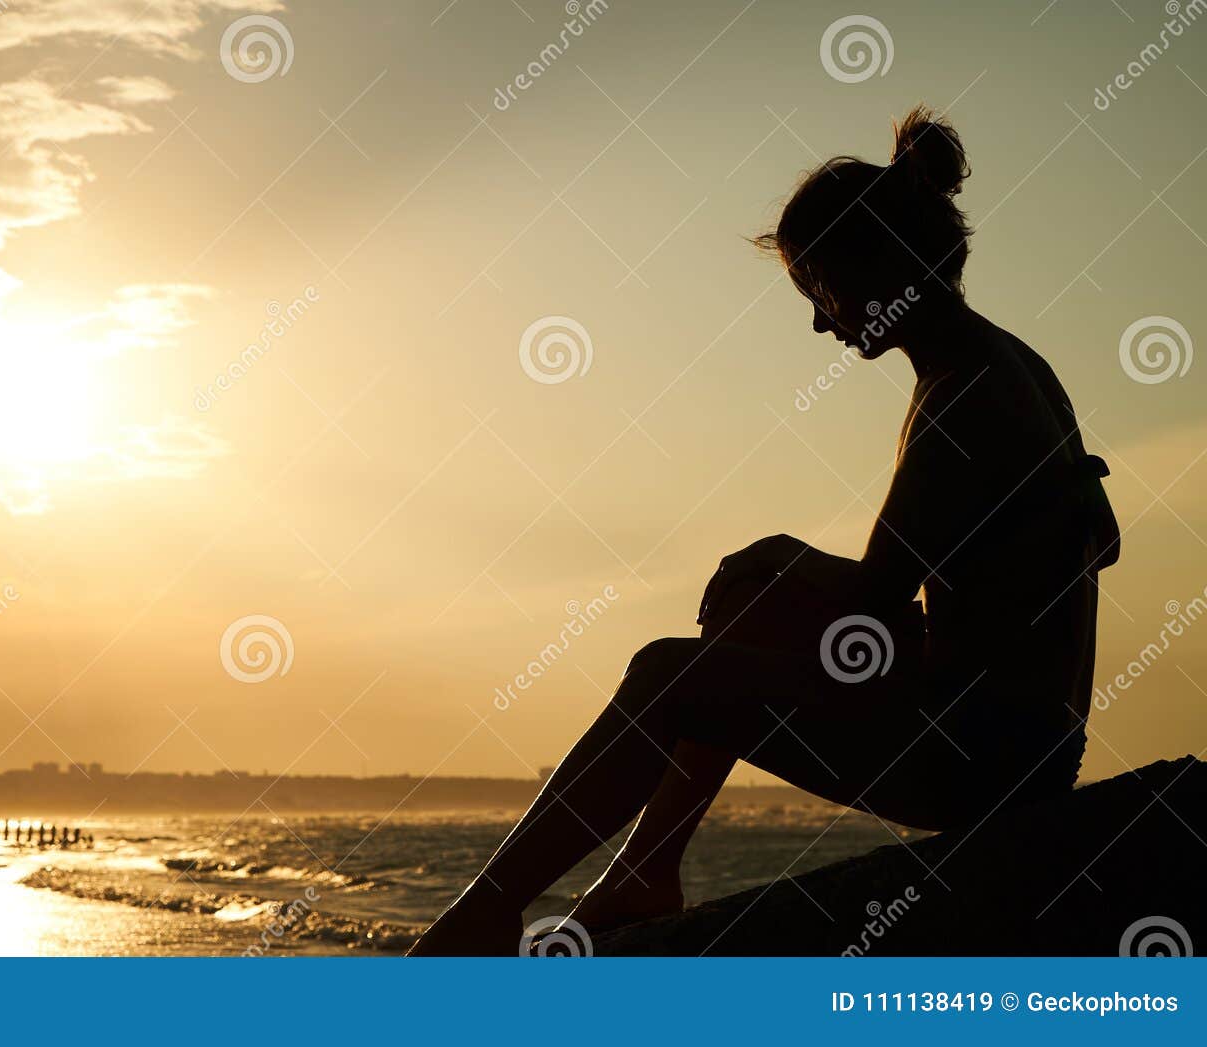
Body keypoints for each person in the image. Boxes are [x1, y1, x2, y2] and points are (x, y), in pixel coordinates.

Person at [408, 105, 1120, 956]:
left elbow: (876, 596)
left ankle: (487, 909)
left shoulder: (964, 393)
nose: (822, 321)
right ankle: (645, 868)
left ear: (875, 265)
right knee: (757, 590)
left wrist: (788, 556)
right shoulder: (1009, 362)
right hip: (1011, 730)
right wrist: (783, 575)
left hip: (987, 757)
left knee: (666, 671)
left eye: (821, 290)